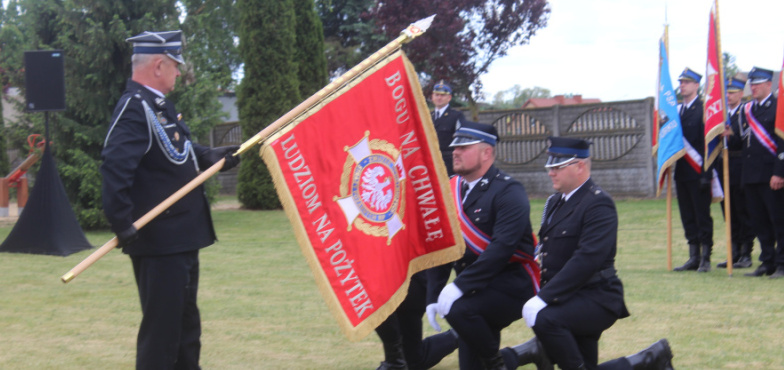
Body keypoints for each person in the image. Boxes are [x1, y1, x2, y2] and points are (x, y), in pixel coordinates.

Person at [100, 30, 239, 369]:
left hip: (181, 239)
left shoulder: (158, 106)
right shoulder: (134, 107)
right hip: (159, 241)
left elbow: (175, 151)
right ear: (159, 65)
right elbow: (115, 168)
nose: (180, 72)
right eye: (177, 65)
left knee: (186, 330)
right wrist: (122, 221)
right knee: (162, 337)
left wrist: (211, 156)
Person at [507, 137, 674, 370]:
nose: (551, 173)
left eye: (557, 167)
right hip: (568, 297)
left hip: (597, 297)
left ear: (580, 167)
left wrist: (543, 298)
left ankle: (649, 359)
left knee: (546, 320)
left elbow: (588, 259)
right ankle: (649, 359)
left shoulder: (598, 204)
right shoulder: (555, 202)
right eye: (549, 167)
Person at [427, 121, 540, 369]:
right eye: (455, 146)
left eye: (464, 147)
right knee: (469, 363)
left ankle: (497, 363)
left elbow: (502, 248)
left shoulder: (509, 191)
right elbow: (443, 245)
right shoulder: (452, 189)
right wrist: (434, 293)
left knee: (460, 311)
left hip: (511, 283)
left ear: (486, 153)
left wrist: (458, 287)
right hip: (476, 288)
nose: (455, 151)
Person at [739, 67, 784, 278]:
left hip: (771, 175)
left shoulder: (779, 108)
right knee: (759, 222)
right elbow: (743, 142)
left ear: (769, 84)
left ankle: (782, 263)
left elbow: (781, 144)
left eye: (757, 84)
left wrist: (779, 173)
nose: (753, 88)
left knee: (778, 221)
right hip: (751, 175)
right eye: (752, 84)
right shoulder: (748, 110)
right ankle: (767, 262)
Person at [672, 68, 714, 273]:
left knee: (701, 215)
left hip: (699, 172)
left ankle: (706, 257)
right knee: (687, 215)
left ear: (697, 85)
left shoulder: (704, 109)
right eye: (681, 82)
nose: (682, 86)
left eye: (687, 83)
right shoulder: (677, 111)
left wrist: (706, 174)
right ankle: (693, 256)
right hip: (682, 172)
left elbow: (708, 145)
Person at [715, 76, 755, 269]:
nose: (728, 96)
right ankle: (734, 251)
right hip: (724, 164)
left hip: (740, 164)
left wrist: (732, 135)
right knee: (728, 211)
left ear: (741, 93)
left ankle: (746, 253)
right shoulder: (720, 115)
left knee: (742, 210)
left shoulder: (745, 111)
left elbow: (748, 138)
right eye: (726, 93)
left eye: (732, 93)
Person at [431, 81, 466, 176]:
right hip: (431, 162)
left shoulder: (456, 116)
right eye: (436, 95)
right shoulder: (427, 117)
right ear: (432, 97)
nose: (439, 98)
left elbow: (461, 140)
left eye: (442, 95)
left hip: (449, 164)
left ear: (449, 98)